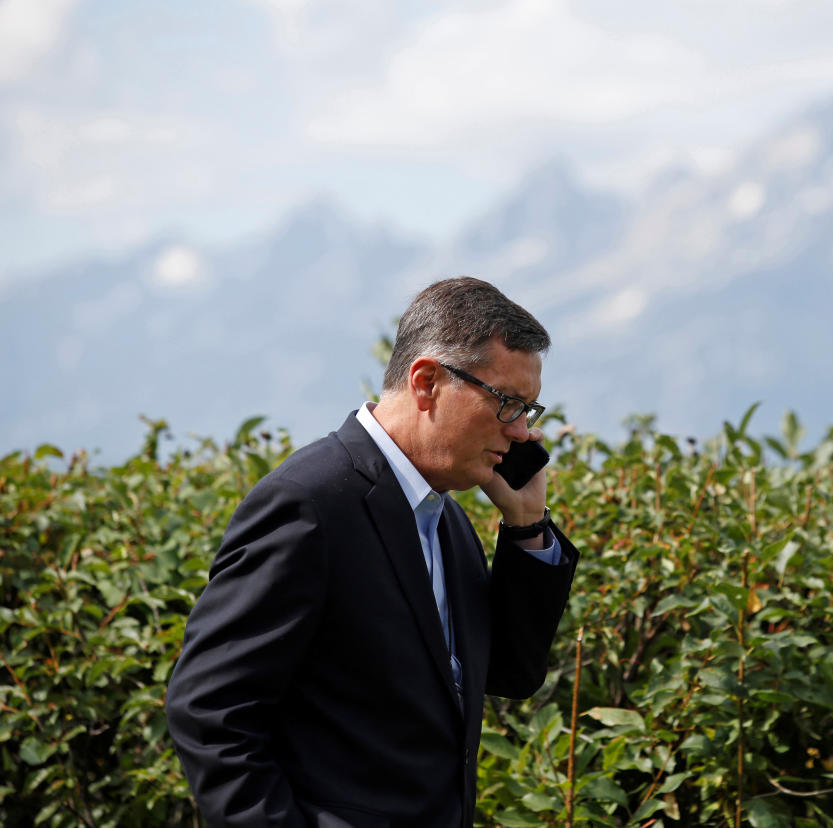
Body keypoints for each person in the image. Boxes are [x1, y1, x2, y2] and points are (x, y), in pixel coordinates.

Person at [165, 277, 579, 827]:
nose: (523, 433)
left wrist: (527, 526)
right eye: (507, 403)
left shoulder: (447, 520)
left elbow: (509, 672)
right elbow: (209, 710)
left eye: (530, 409)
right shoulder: (309, 503)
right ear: (427, 381)